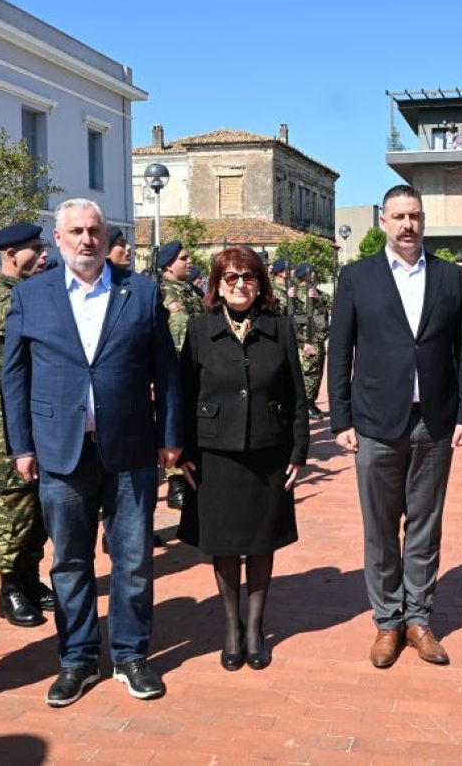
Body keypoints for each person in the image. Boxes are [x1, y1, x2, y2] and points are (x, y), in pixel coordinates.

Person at [2, 198, 182, 707]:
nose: (87, 239)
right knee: (70, 561)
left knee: (133, 559)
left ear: (107, 237)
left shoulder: (140, 291)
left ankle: (130, 654)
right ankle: (77, 659)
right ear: (58, 239)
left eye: (95, 230)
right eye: (76, 231)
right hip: (60, 450)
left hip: (130, 447)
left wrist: (169, 436)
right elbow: (14, 377)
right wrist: (21, 445)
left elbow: (166, 371)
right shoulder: (31, 295)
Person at [328, 184, 462, 669]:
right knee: (379, 528)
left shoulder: (451, 278)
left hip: (434, 421)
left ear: (423, 219)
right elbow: (340, 350)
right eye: (398, 217)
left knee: (425, 526)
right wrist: (340, 418)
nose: (407, 225)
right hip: (375, 421)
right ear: (383, 222)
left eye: (414, 215)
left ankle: (418, 619)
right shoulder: (357, 277)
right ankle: (387, 622)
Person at [177, 246, 309, 671]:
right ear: (217, 285)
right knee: (226, 544)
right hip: (214, 454)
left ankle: (255, 628)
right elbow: (184, 393)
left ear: (260, 284)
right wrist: (183, 453)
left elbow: (297, 394)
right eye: (230, 278)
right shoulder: (200, 329)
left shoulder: (279, 327)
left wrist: (299, 450)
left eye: (248, 277)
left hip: (269, 451)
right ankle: (231, 627)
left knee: (262, 541)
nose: (239, 285)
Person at [0, 223, 53, 628]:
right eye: (34, 249)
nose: (43, 255)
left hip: (36, 413)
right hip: (10, 418)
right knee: (15, 503)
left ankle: (29, 578)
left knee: (37, 505)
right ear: (11, 255)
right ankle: (8, 588)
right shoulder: (1, 298)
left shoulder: (27, 292)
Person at [158, 239, 203, 509]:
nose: (189, 262)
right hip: (173, 370)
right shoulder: (162, 293)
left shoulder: (191, 292)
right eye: (183, 259)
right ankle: (176, 484)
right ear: (168, 265)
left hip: (195, 368)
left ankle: (189, 477)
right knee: (175, 424)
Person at [294, 263, 330, 418]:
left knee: (317, 371)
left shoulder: (314, 291)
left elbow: (326, 304)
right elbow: (302, 316)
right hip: (309, 337)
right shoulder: (300, 292)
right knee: (311, 372)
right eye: (311, 272)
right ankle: (307, 404)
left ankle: (311, 403)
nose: (314, 274)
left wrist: (318, 298)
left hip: (318, 336)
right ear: (305, 275)